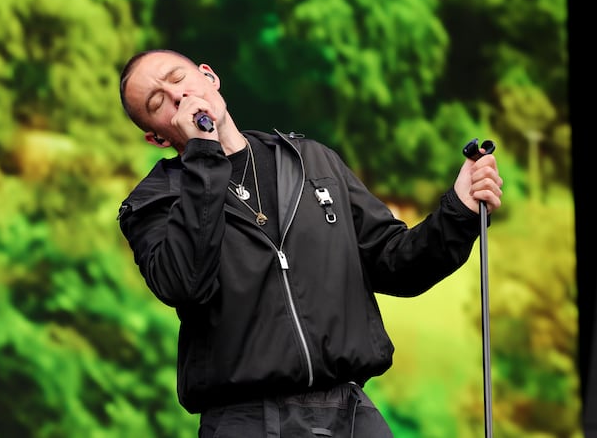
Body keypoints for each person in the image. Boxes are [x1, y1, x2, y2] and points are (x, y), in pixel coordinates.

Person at [116, 49, 503, 437]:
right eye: (157, 102)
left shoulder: (310, 161)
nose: (178, 96)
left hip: (350, 413)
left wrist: (460, 210)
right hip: (245, 420)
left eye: (178, 78)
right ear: (156, 137)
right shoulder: (155, 202)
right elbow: (184, 281)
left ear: (209, 76)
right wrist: (203, 155)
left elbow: (396, 263)